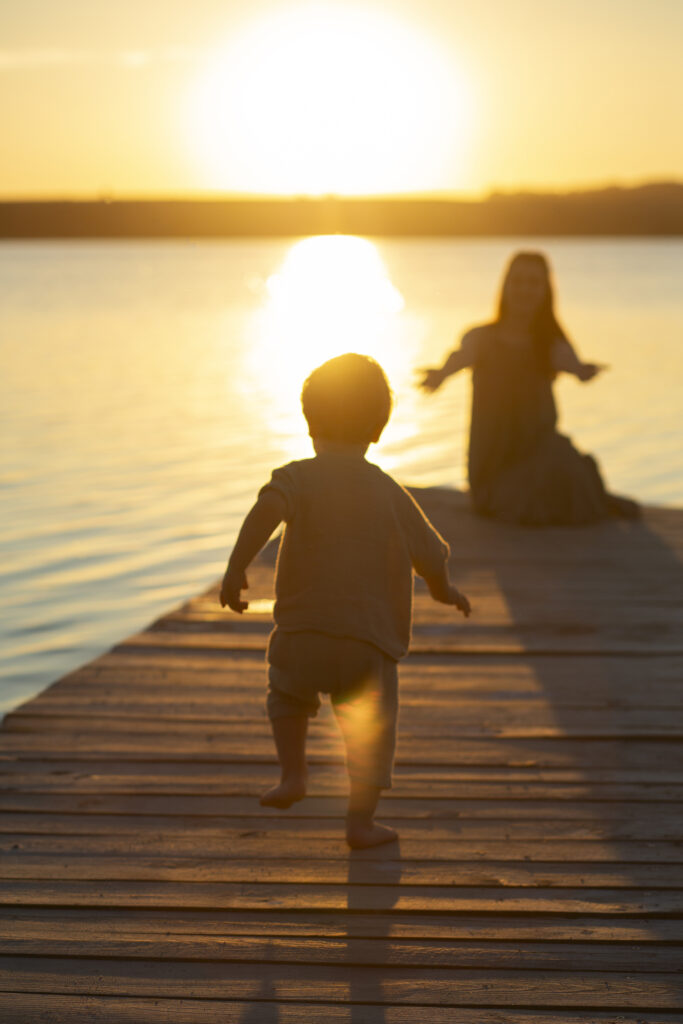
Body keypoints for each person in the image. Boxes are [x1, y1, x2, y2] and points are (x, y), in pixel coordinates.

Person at [220, 353, 471, 849]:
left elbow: (266, 508)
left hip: (301, 635)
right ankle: (360, 823)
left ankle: (293, 774)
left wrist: (236, 566)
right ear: (377, 430)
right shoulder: (389, 492)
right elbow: (430, 556)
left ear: (310, 422)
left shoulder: (297, 477)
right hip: (367, 644)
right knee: (369, 734)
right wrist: (444, 591)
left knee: (287, 696)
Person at [419, 251, 639, 525]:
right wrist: (440, 375)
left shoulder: (550, 343)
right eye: (518, 281)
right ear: (506, 286)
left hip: (540, 448)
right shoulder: (481, 338)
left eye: (534, 283)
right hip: (495, 464)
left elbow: (572, 364)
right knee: (547, 480)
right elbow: (459, 358)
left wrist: (582, 372)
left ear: (546, 290)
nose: (524, 290)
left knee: (564, 465)